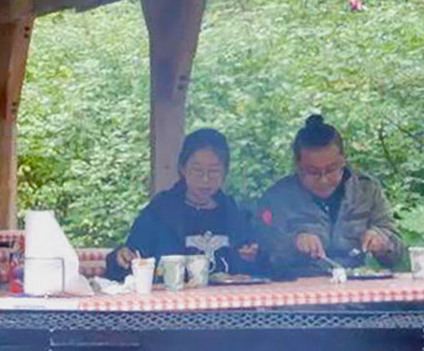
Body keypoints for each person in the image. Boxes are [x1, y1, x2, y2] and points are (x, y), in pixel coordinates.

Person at [255, 114, 405, 278]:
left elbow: (397, 253)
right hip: (301, 290)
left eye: (331, 169)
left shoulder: (367, 190)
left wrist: (382, 242)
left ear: (343, 160)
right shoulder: (278, 197)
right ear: (298, 166)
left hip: (357, 286)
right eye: (313, 172)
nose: (323, 179)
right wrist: (294, 243)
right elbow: (259, 253)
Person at [105, 128, 263, 282]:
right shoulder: (160, 211)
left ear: (225, 172)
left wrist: (254, 256)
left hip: (227, 305)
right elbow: (130, 260)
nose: (205, 179)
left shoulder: (235, 213)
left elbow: (258, 268)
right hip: (170, 306)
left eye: (214, 171)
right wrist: (121, 258)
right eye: (197, 170)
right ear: (182, 168)